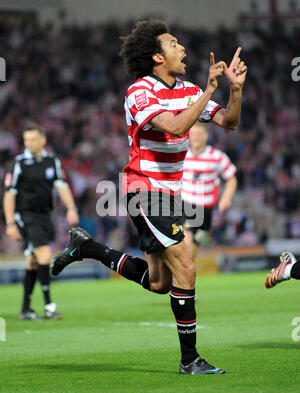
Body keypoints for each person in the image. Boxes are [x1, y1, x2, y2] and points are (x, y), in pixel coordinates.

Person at [50, 20, 247, 374]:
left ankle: (87, 249)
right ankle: (191, 360)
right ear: (158, 56)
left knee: (160, 283)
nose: (183, 49)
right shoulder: (139, 92)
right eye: (174, 44)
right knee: (187, 266)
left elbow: (229, 122)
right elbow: (174, 126)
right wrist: (208, 90)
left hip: (170, 193)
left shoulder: (187, 89)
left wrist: (234, 90)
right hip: (145, 189)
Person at [3, 123, 79, 320]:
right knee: (45, 256)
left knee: (34, 262)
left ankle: (26, 309)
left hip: (45, 215)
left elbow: (61, 186)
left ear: (43, 140)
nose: (29, 143)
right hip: (25, 215)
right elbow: (9, 194)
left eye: (32, 139)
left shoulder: (51, 161)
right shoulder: (19, 163)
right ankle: (49, 306)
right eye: (26, 140)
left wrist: (71, 208)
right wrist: (10, 223)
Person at [182, 122, 237, 259]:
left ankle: (185, 276)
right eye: (193, 134)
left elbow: (231, 179)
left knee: (193, 250)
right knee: (186, 240)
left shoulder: (217, 157)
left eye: (199, 134)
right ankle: (178, 277)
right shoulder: (181, 154)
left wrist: (226, 198)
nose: (196, 138)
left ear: (206, 136)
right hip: (185, 204)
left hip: (206, 210)